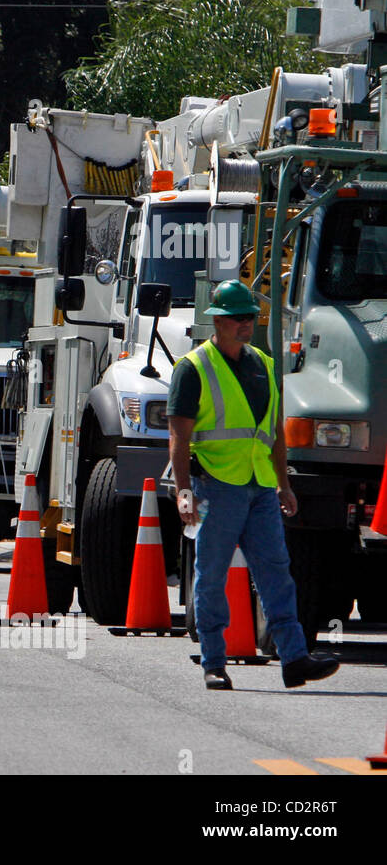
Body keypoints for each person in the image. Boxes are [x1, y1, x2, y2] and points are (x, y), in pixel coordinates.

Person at [168, 279, 338, 690]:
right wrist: (184, 490)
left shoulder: (262, 364)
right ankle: (213, 661)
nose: (247, 324)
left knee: (277, 574)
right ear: (218, 322)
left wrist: (284, 485)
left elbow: (275, 434)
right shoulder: (193, 368)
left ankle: (294, 659)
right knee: (211, 575)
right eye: (239, 319)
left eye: (251, 318)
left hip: (260, 487)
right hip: (216, 486)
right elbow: (178, 435)